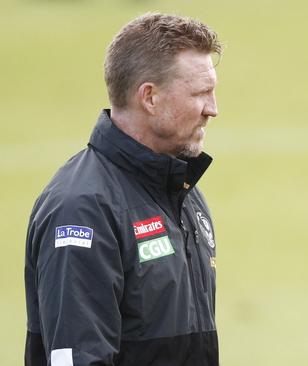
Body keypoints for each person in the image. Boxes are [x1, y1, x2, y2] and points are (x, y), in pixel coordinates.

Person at [24, 13, 222, 365]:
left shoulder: (183, 194)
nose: (213, 109)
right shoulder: (82, 209)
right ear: (149, 97)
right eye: (200, 93)